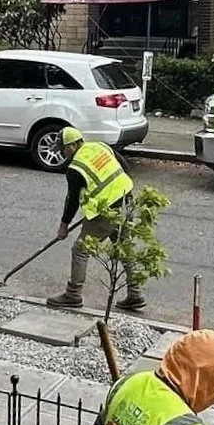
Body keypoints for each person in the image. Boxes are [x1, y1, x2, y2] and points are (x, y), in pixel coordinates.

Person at [47, 127, 144, 313]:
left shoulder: (75, 168)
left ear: (74, 144)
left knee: (80, 250)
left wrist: (63, 226)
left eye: (64, 149)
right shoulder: (101, 146)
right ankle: (136, 293)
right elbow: (124, 168)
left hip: (105, 211)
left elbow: (73, 199)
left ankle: (73, 295)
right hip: (126, 202)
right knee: (124, 249)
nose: (62, 153)